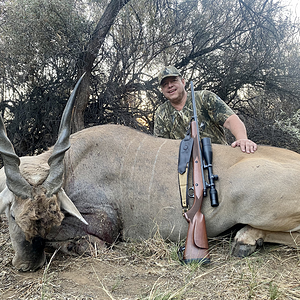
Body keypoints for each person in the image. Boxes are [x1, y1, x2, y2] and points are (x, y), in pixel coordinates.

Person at [153, 66, 257, 154]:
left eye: (174, 80)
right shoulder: (161, 112)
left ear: (183, 82)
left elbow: (231, 120)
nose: (170, 85)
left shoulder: (205, 97)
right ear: (162, 90)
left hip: (218, 156)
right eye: (165, 84)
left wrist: (242, 139)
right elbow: (162, 145)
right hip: (184, 163)